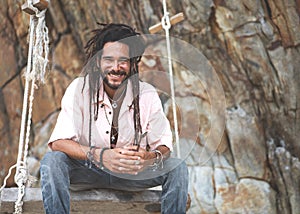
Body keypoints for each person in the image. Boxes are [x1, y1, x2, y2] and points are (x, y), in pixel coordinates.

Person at [40, 23, 188, 214]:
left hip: (131, 174)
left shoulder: (147, 94)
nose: (116, 67)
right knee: (52, 161)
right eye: (108, 60)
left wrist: (148, 158)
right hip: (87, 170)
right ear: (98, 61)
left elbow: (164, 146)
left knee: (177, 167)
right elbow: (59, 143)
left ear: (133, 63)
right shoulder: (80, 88)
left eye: (123, 61)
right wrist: (101, 156)